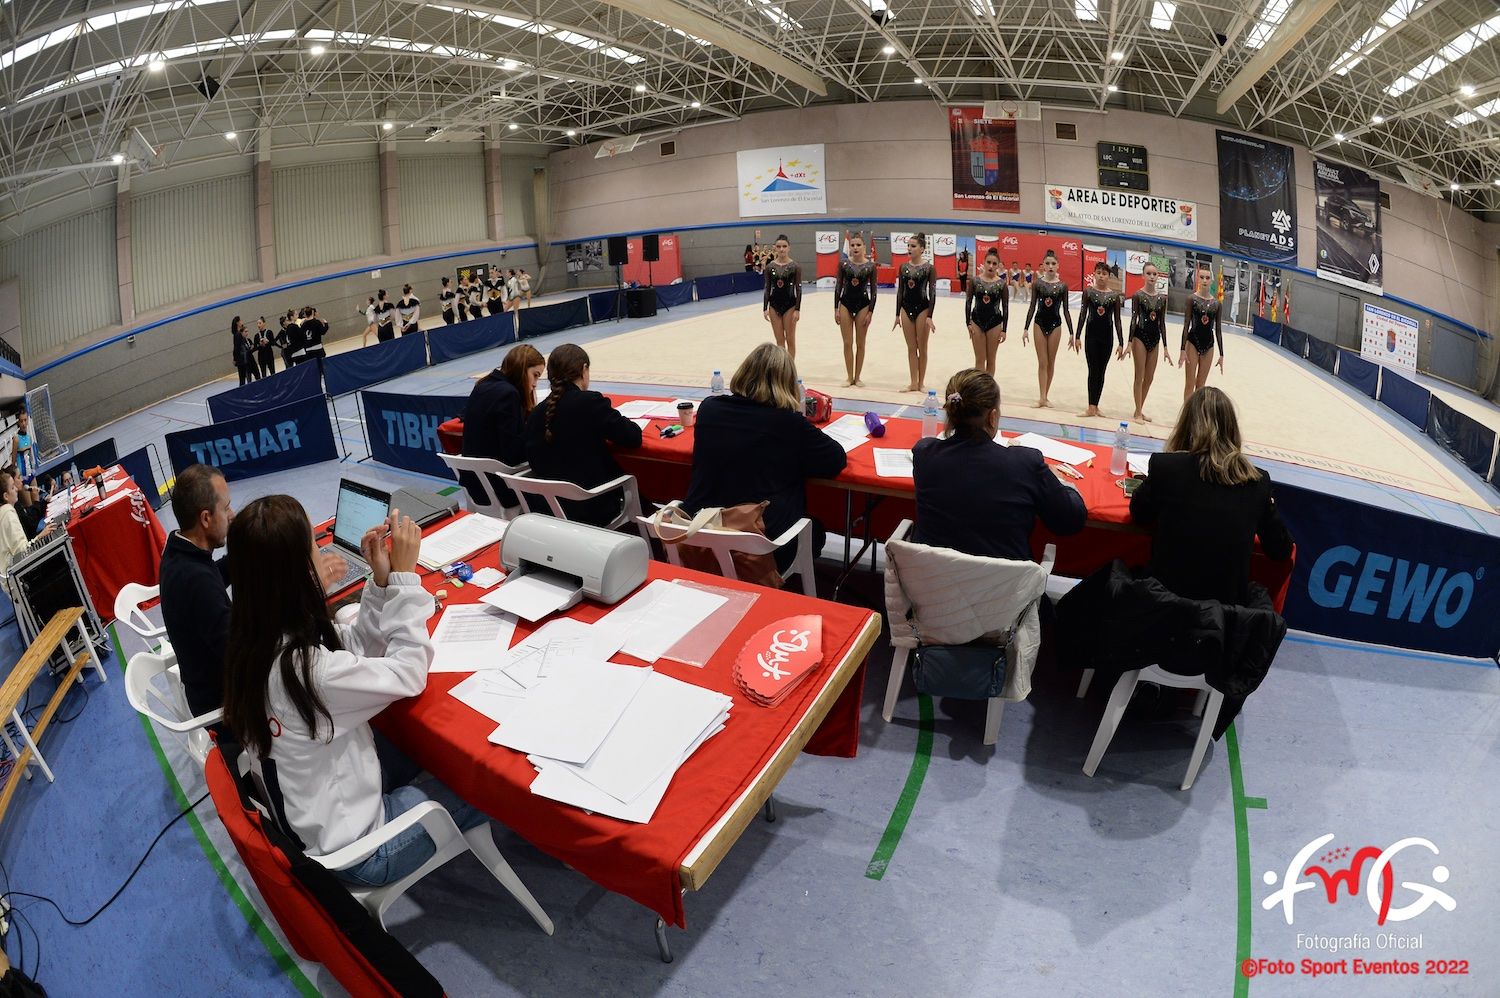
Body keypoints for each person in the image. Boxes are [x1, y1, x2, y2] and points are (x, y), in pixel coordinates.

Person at [221, 497, 489, 886]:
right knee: (478, 783)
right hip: (364, 852)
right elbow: (409, 672)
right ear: (294, 573)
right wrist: (404, 579)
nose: (321, 553)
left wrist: (380, 583)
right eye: (314, 547)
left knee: (420, 748)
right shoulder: (304, 671)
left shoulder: (255, 643)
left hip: (325, 813)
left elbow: (351, 651)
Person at [684, 343, 846, 572]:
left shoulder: (710, 409)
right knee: (816, 530)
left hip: (701, 534)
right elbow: (835, 460)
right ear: (787, 384)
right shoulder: (787, 422)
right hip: (759, 547)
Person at [1130, 387, 1293, 605]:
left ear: (1186, 426)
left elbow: (1139, 515)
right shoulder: (1257, 481)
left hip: (1163, 604)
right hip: (1222, 614)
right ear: (1232, 429)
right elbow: (1281, 549)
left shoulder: (1167, 467)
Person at [912, 370, 1086, 561]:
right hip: (1006, 589)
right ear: (992, 417)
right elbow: (1070, 520)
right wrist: (1061, 483)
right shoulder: (1024, 463)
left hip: (932, 585)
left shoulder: (925, 454)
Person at [522, 344, 642, 527]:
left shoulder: (536, 413)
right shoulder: (590, 402)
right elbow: (633, 437)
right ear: (584, 370)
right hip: (592, 506)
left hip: (549, 508)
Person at [460, 344, 544, 509]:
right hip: (498, 489)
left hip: (473, 484)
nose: (535, 384)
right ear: (522, 369)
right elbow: (514, 453)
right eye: (535, 375)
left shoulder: (483, 385)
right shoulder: (509, 394)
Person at [1021, 250, 1074, 408]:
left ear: (1058, 266)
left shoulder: (1063, 286)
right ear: (1043, 266)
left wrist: (1072, 332)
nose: (1050, 266)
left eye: (1053, 264)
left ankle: (1046, 395)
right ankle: (1042, 397)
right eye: (1047, 263)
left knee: (1051, 362)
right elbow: (1032, 306)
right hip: (1039, 323)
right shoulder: (1038, 284)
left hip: (1055, 325)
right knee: (1042, 362)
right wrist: (1025, 328)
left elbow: (1065, 310)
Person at [1075, 260, 1124, 418]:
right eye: (1099, 273)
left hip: (1107, 338)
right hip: (1091, 336)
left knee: (1101, 371)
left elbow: (1117, 320)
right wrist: (1077, 336)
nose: (1101, 276)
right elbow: (1083, 315)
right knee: (1092, 370)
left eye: (1104, 274)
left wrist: (1121, 342)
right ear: (1094, 274)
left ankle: (1096, 405)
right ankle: (1090, 406)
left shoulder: (1114, 296)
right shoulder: (1088, 292)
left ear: (1108, 276)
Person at [1128, 261, 1173, 422]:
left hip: (1155, 339)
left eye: (1155, 274)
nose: (1152, 276)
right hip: (1140, 336)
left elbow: (1161, 323)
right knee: (1139, 376)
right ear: (1143, 276)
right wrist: (1129, 342)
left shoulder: (1162, 299)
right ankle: (1138, 411)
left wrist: (1166, 347)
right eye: (1149, 273)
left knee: (1150, 377)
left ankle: (1139, 408)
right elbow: (1134, 319)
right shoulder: (1138, 296)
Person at [892, 233, 937, 393]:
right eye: (909, 246)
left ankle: (921, 383)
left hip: (923, 308)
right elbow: (900, 291)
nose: (909, 248)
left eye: (913, 246)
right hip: (906, 308)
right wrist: (897, 314)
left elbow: (932, 293)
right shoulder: (903, 267)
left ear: (922, 249)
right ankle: (913, 382)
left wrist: (930, 316)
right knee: (911, 348)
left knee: (922, 347)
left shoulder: (929, 268)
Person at [834, 233, 878, 387]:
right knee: (847, 343)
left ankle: (857, 377)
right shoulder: (843, 264)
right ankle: (849, 377)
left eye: (858, 245)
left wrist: (871, 312)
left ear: (864, 247)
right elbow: (838, 286)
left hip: (863, 305)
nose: (855, 247)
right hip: (845, 304)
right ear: (849, 247)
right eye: (852, 245)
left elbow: (874, 291)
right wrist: (836, 308)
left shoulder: (870, 266)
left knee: (860, 343)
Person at [1180, 265, 1224, 400]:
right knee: (1190, 383)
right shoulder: (1191, 299)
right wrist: (1182, 349)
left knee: (1200, 385)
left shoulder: (1217, 303)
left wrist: (1222, 354)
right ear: (1197, 279)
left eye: (1207, 278)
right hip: (1192, 341)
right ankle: (1187, 416)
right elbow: (1186, 324)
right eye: (1202, 277)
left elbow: (1218, 329)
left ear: (1211, 281)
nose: (1205, 280)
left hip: (1209, 344)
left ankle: (1196, 415)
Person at [964, 247, 1009, 376]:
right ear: (983, 263)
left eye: (994, 264)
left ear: (998, 266)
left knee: (991, 360)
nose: (991, 266)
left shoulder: (1001, 284)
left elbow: (1005, 308)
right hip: (977, 322)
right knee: (979, 360)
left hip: (994, 323)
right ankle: (979, 390)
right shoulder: (975, 281)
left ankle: (988, 392)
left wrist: (1004, 330)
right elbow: (968, 302)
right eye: (988, 262)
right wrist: (968, 323)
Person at [0, 471, 51, 574]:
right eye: (12, 487)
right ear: (6, 496)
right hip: (19, 577)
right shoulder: (8, 514)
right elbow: (22, 552)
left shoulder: (5, 511)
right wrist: (41, 536)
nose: (16, 490)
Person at [762, 235, 802, 361]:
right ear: (775, 248)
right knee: (779, 341)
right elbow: (767, 288)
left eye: (784, 246)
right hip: (774, 305)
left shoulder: (795, 266)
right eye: (778, 247)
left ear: (789, 248)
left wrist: (797, 309)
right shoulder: (770, 267)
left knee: (790, 339)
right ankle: (781, 370)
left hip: (790, 305)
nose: (781, 249)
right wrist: (765, 307)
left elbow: (798, 288)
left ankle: (790, 369)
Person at [232, 317, 258, 386]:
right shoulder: (237, 334)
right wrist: (235, 359)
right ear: (237, 323)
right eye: (240, 320)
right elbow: (236, 348)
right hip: (242, 360)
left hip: (243, 358)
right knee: (243, 379)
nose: (242, 322)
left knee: (243, 379)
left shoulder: (238, 334)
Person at [9, 410, 33, 481]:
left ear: (28, 420)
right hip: (21, 477)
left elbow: (30, 457)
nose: (23, 423)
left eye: (25, 420)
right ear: (18, 422)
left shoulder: (29, 437)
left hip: (31, 473)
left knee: (36, 492)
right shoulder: (16, 439)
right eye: (21, 421)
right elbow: (13, 463)